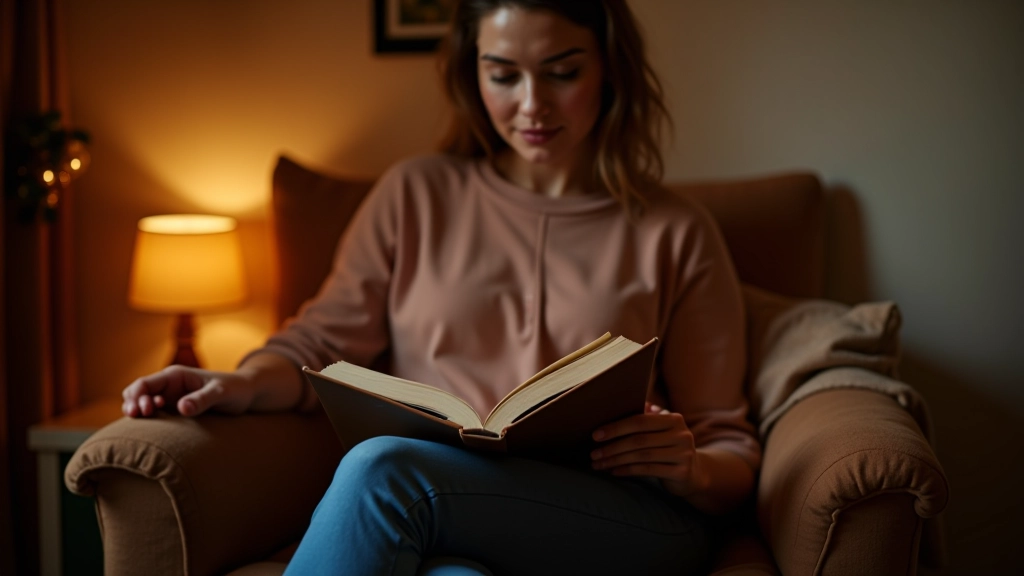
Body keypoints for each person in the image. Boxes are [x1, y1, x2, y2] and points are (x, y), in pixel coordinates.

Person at [121, 1, 761, 574]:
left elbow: (729, 446)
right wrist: (238, 382)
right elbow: (319, 342)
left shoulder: (676, 230)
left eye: (562, 72)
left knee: (382, 469)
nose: (531, 104)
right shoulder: (415, 193)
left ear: (610, 69)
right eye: (504, 74)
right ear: (472, 72)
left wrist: (691, 465)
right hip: (448, 509)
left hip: (622, 519)